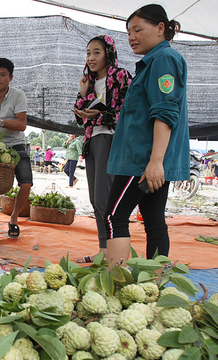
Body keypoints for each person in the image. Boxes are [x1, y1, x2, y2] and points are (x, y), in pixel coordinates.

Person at [104, 4, 189, 265]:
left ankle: (113, 282)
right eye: (129, 32)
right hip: (149, 160)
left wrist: (155, 161)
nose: (131, 37)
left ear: (160, 28)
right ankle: (154, 284)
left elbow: (164, 112)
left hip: (142, 159)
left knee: (114, 217)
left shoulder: (164, 60)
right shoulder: (153, 62)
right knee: (153, 221)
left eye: (138, 30)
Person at [73, 34, 132, 264]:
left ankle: (114, 253)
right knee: (95, 199)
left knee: (105, 198)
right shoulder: (89, 81)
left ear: (108, 53)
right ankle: (103, 250)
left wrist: (101, 114)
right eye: (88, 53)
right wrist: (82, 92)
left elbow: (128, 112)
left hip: (111, 139)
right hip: (91, 141)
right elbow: (80, 118)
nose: (91, 57)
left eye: (97, 52)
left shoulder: (120, 76)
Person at [0, 58, 31, 238]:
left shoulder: (18, 96)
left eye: (2, 75)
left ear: (11, 77)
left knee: (26, 183)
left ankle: (14, 218)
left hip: (16, 144)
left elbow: (22, 124)